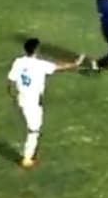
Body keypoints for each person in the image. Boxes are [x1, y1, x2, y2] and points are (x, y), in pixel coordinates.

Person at [7, 37, 84, 169]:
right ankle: (27, 158)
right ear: (36, 50)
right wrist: (75, 63)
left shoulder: (18, 62)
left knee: (35, 127)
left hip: (23, 99)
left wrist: (12, 96)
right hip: (32, 102)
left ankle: (31, 152)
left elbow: (10, 81)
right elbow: (59, 67)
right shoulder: (40, 65)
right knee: (34, 130)